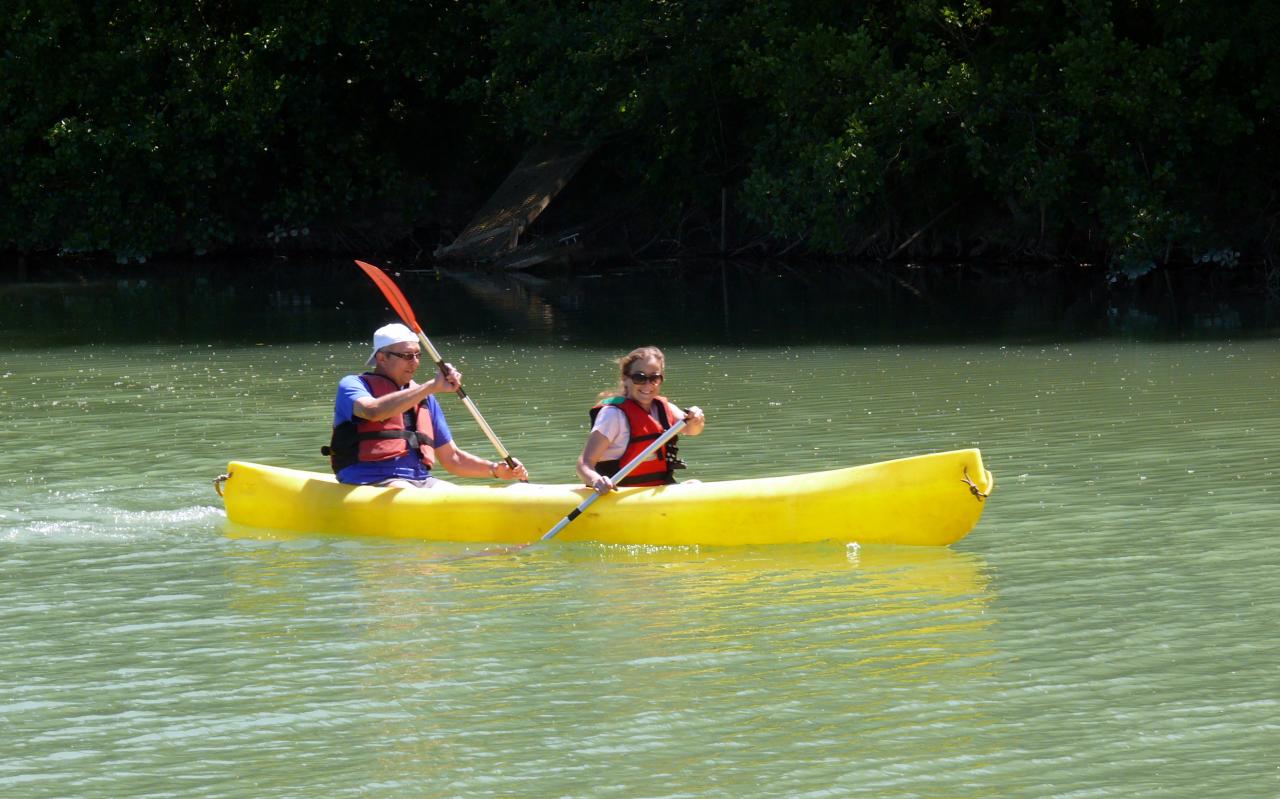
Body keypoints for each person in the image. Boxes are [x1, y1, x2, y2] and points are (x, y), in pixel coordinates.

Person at [325, 323, 529, 488]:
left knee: (453, 492)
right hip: (368, 477)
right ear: (381, 357)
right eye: (406, 356)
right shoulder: (353, 384)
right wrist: (431, 386)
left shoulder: (424, 398)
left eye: (417, 355)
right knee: (401, 488)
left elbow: (452, 458)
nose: (414, 362)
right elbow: (372, 411)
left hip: (419, 480)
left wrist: (496, 470)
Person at [576, 346, 705, 493]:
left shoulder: (664, 408)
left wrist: (696, 420)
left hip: (657, 489)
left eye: (654, 378)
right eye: (640, 378)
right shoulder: (612, 415)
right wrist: (596, 480)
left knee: (696, 484)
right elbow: (584, 464)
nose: (648, 385)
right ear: (625, 378)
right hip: (619, 494)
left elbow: (692, 430)